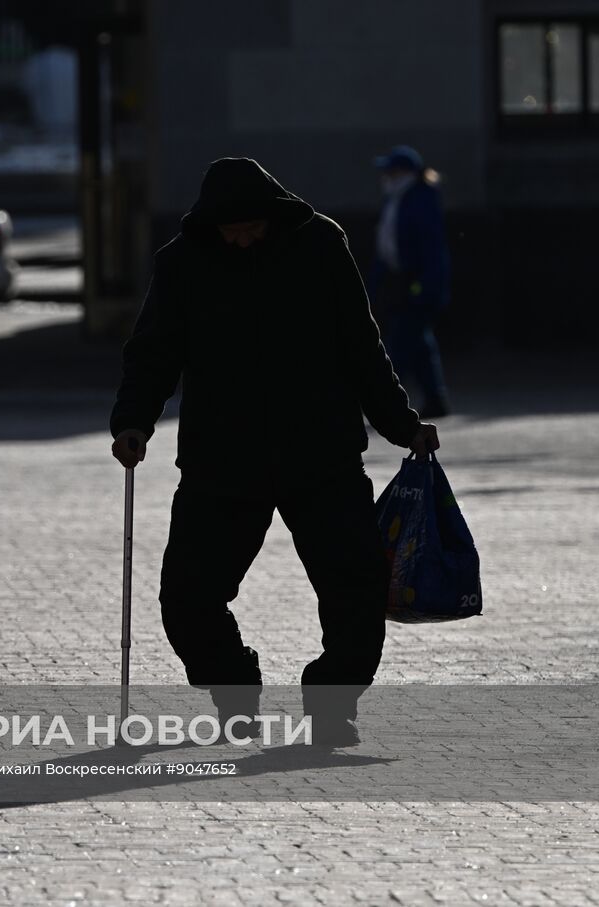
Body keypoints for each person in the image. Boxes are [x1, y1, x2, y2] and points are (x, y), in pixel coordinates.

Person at [109, 157, 439, 746]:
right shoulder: (183, 263)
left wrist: (401, 423)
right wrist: (134, 420)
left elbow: (361, 344)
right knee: (188, 596)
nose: (241, 238)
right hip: (222, 463)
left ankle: (334, 706)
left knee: (355, 589)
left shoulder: (320, 245)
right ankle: (234, 692)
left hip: (322, 455)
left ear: (272, 215)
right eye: (230, 230)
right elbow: (154, 350)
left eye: (251, 227)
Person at [369, 145, 452, 418]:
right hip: (403, 282)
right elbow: (387, 250)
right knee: (419, 346)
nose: (386, 177)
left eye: (391, 171)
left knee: (401, 345)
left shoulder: (419, 200)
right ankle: (435, 398)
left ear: (404, 172)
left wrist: (423, 287)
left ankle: (387, 403)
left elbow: (429, 249)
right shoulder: (399, 199)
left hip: (416, 284)